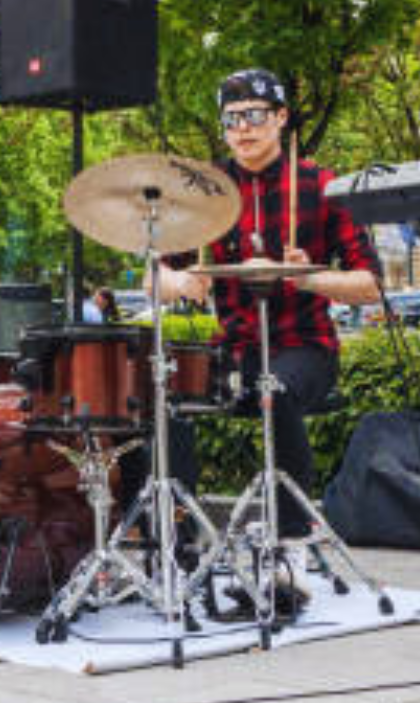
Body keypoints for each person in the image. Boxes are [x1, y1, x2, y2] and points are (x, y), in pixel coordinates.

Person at [154, 69, 380, 547]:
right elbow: (153, 278)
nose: (243, 128)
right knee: (160, 398)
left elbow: (370, 285)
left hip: (305, 347)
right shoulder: (207, 192)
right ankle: (178, 538)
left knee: (272, 389)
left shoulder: (322, 185)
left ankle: (291, 542)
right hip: (234, 348)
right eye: (231, 119)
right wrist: (179, 280)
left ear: (280, 118)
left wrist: (308, 277)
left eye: (255, 115)